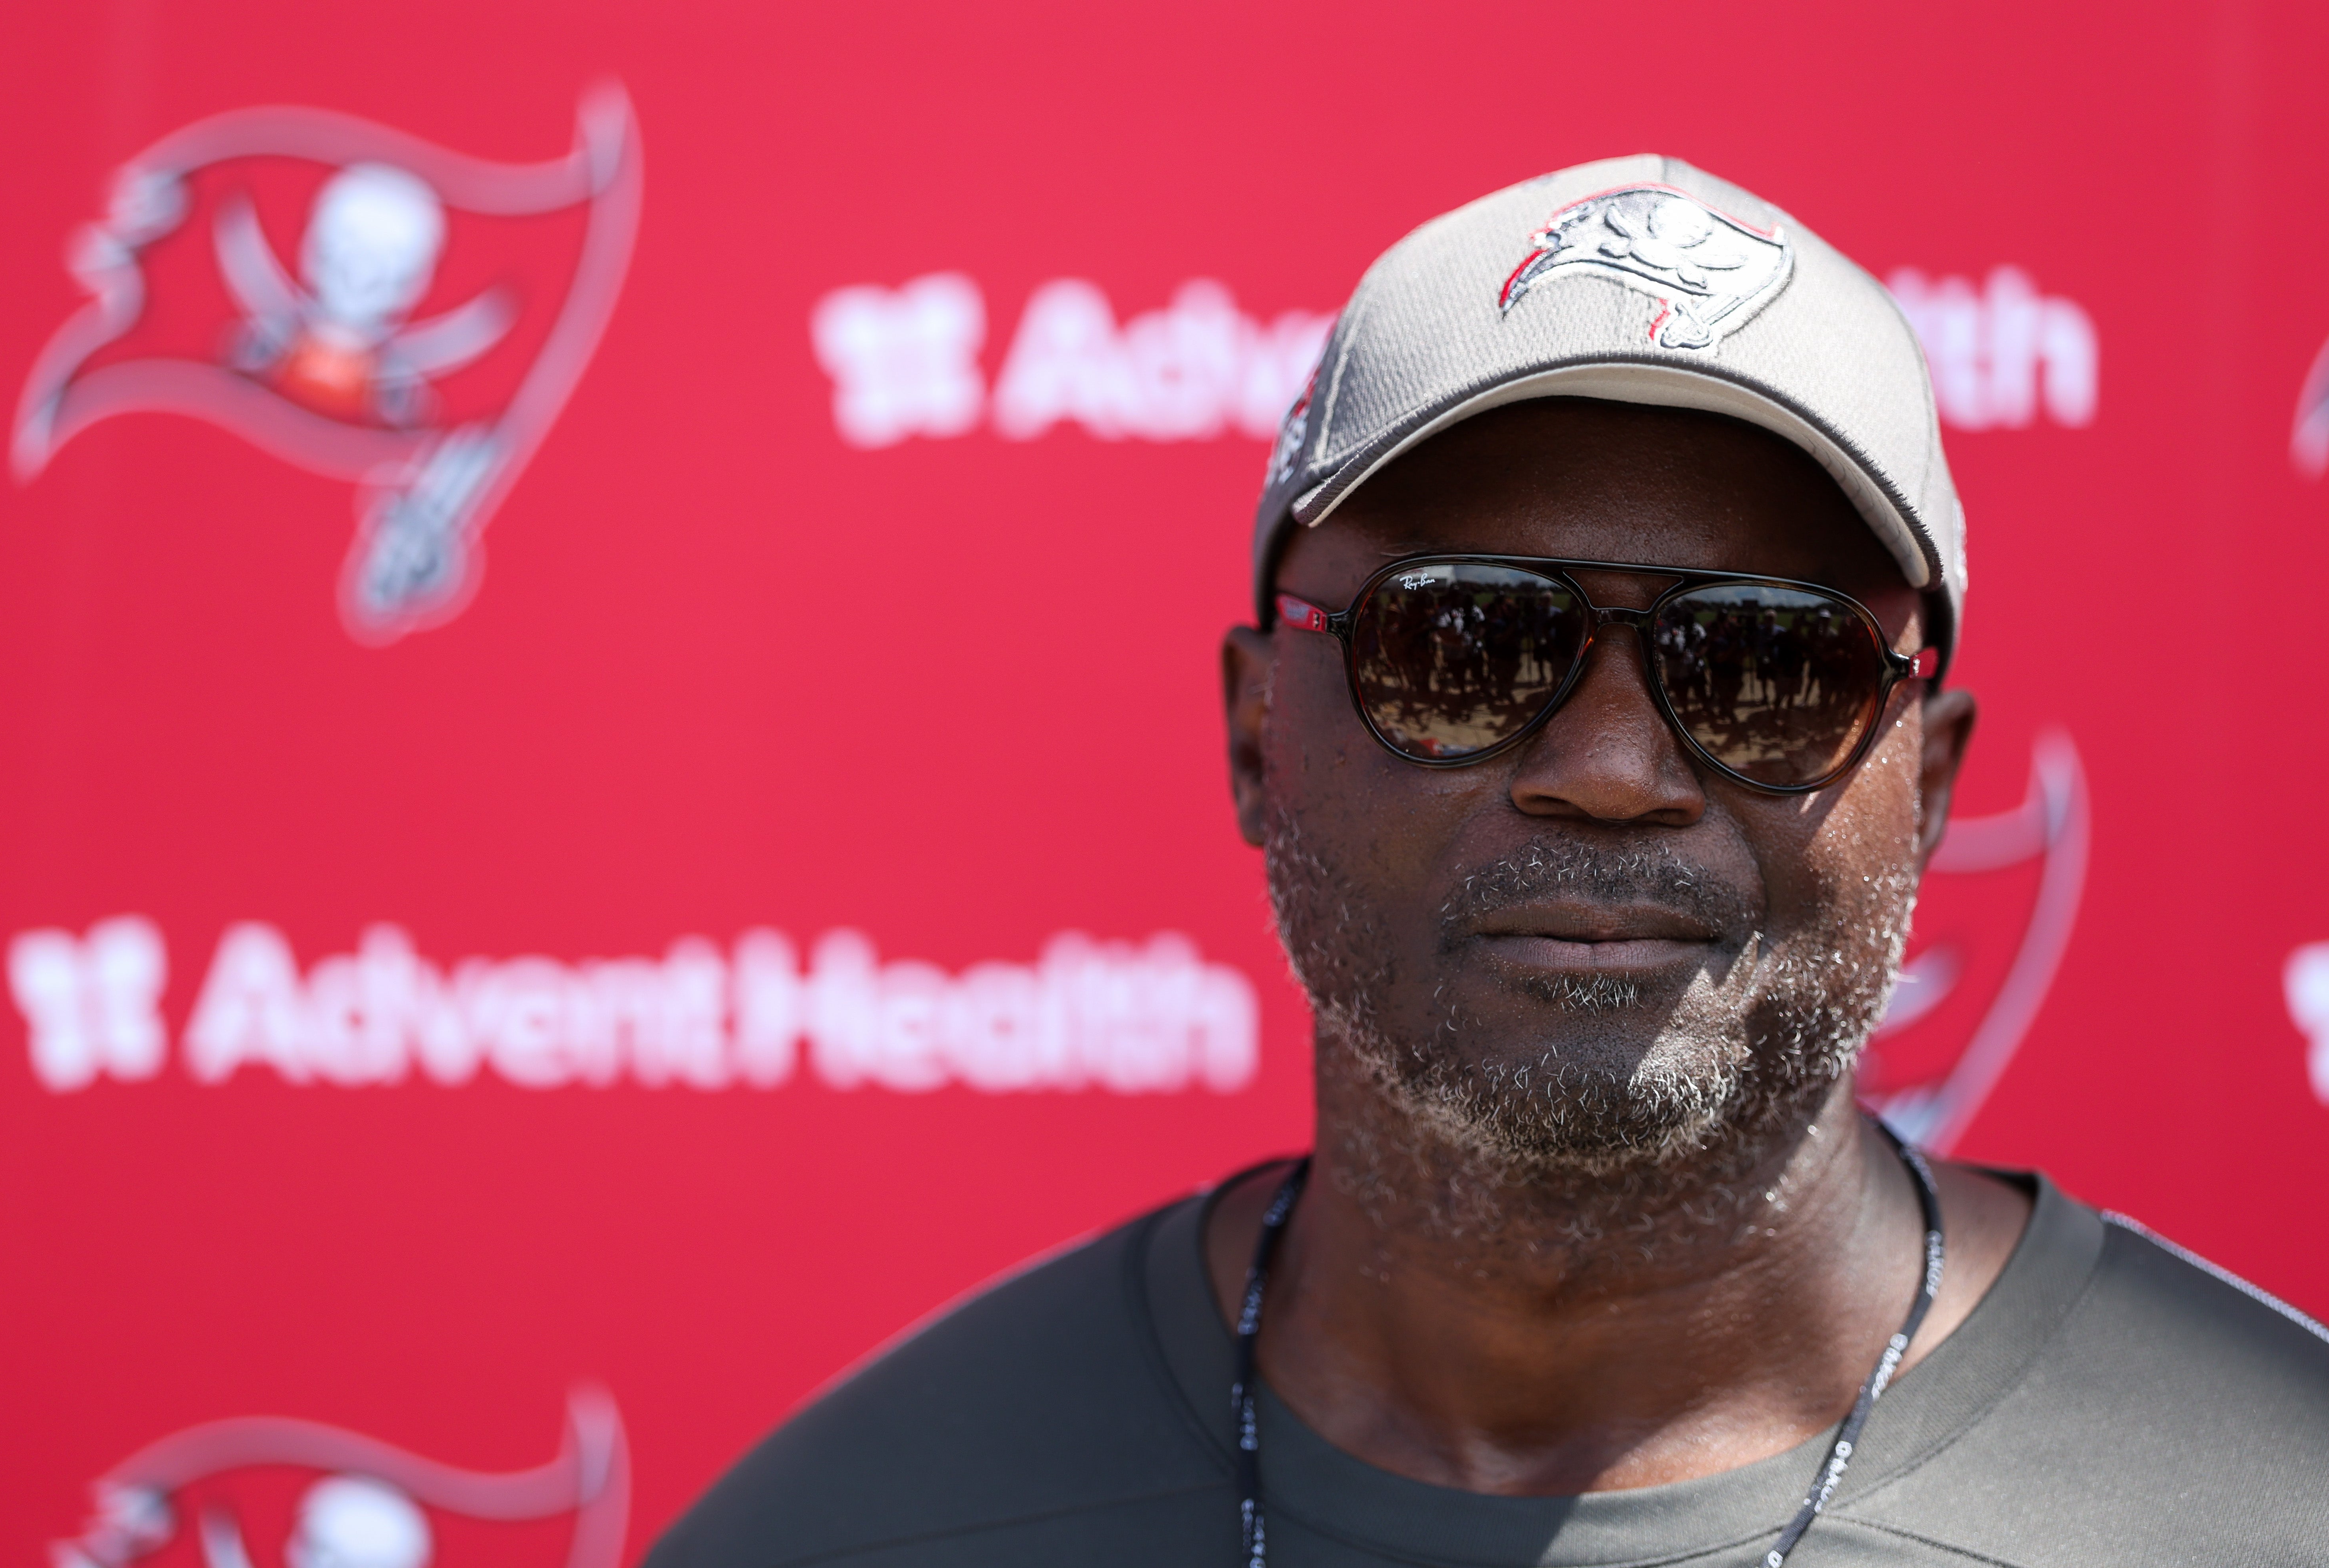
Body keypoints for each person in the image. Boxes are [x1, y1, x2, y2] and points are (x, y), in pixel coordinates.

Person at [648, 156, 2329, 1568]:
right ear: (1256, 739)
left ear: (1931, 781)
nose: (1607, 771)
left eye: (1766, 666)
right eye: (1460, 645)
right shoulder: (863, 1526)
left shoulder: (2268, 1505)